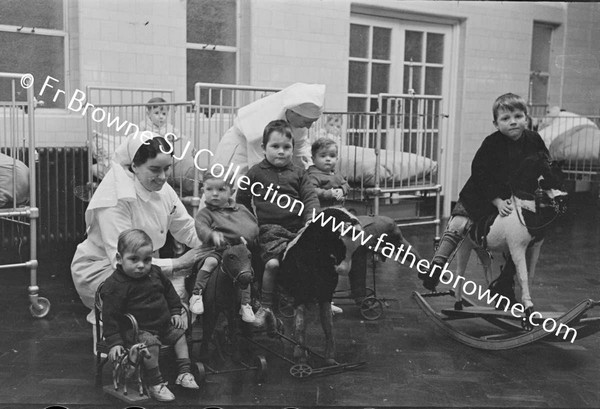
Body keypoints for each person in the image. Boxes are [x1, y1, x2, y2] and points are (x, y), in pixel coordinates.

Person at [71, 132, 204, 329]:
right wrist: (178, 262)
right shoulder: (116, 198)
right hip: (105, 268)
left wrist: (211, 242)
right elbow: (119, 260)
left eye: (167, 169)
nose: (162, 177)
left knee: (174, 305)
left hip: (144, 265)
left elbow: (185, 227)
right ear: (134, 166)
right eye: (155, 170)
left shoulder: (164, 190)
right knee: (154, 302)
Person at [419, 93, 549, 291]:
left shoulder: (534, 139)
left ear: (526, 117)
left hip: (516, 195)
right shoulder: (492, 143)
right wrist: (496, 200)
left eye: (518, 116)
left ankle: (506, 283)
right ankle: (437, 264)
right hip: (482, 192)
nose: (513, 122)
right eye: (505, 119)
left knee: (521, 232)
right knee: (459, 223)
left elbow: (543, 163)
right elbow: (479, 173)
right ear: (496, 123)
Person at [237, 119, 320, 326]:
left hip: (296, 229)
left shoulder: (299, 172)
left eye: (286, 147)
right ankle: (266, 306)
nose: (281, 152)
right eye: (275, 146)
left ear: (293, 149)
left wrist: (310, 220)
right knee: (273, 264)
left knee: (315, 258)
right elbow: (242, 200)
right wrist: (250, 224)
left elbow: (310, 197)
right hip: (269, 230)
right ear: (264, 148)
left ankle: (319, 298)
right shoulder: (256, 172)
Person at [102, 229, 199, 402]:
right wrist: (114, 343)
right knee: (151, 345)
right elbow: (110, 316)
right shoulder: (115, 284)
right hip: (137, 330)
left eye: (146, 260)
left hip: (162, 324)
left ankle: (184, 372)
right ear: (119, 258)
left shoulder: (154, 272)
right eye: (134, 259)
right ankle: (156, 384)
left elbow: (170, 293)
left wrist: (175, 312)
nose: (141, 265)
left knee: (180, 335)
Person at [211, 83, 326, 180]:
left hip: (258, 155)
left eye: (312, 122)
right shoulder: (262, 122)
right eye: (306, 121)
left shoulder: (299, 124)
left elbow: (300, 152)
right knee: (227, 189)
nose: (309, 126)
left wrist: (310, 173)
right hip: (239, 151)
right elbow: (260, 166)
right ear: (293, 112)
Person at [188, 171, 259, 323]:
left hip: (238, 250)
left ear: (231, 192)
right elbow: (201, 227)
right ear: (203, 191)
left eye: (221, 190)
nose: (215, 194)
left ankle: (246, 303)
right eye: (209, 190)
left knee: (245, 270)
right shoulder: (205, 213)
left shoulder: (240, 209)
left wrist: (247, 236)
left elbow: (251, 224)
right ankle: (197, 294)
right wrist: (211, 235)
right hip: (217, 250)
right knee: (210, 263)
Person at [113, 97, 196, 194]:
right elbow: (136, 140)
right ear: (148, 114)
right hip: (149, 158)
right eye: (156, 113)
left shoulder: (169, 128)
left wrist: (174, 138)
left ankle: (174, 185)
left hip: (166, 158)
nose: (161, 117)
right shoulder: (143, 126)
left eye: (164, 114)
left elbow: (182, 138)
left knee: (172, 169)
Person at [347, 215, 420, 303]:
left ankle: (359, 295)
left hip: (371, 228)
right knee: (402, 246)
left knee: (358, 260)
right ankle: (424, 267)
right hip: (382, 222)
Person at [307, 137, 350, 209]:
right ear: (313, 159)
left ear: (336, 159)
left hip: (338, 207)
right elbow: (311, 190)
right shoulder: (313, 175)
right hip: (319, 209)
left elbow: (346, 184)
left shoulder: (336, 173)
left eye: (332, 156)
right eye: (323, 156)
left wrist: (342, 190)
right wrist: (329, 193)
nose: (328, 159)